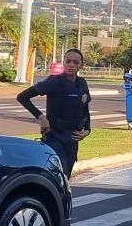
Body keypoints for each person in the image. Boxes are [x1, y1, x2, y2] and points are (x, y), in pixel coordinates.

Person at [16, 48, 92, 179]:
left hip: (72, 140)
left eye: (76, 62)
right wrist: (41, 117)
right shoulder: (54, 81)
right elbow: (22, 97)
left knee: (65, 178)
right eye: (68, 61)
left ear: (81, 65)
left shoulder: (82, 83)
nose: (71, 65)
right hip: (55, 137)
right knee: (58, 176)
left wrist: (87, 130)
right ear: (63, 63)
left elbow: (85, 109)